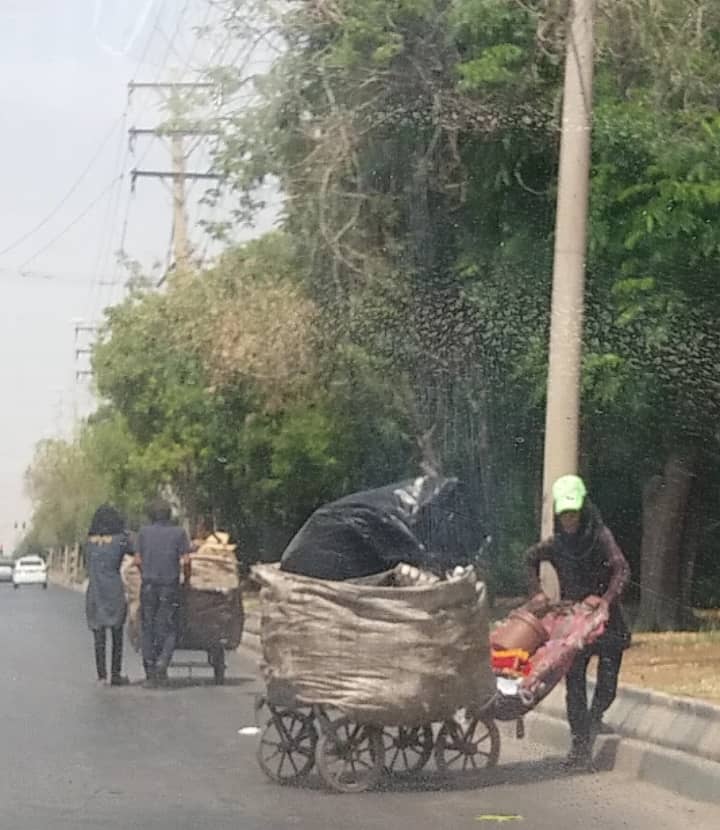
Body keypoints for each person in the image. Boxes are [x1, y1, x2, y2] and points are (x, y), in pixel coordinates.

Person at [526, 474, 630, 767]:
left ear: (583, 509)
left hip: (607, 622)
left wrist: (606, 602)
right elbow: (530, 558)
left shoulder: (600, 536)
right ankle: (580, 744)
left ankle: (595, 719)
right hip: (573, 622)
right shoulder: (556, 544)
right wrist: (537, 594)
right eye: (565, 514)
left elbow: (622, 570)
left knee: (608, 684)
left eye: (574, 513)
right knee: (574, 683)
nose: (570, 520)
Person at [135, 499, 191, 688]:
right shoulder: (179, 533)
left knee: (148, 627)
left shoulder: (143, 533)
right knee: (169, 626)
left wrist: (145, 574)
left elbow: (137, 561)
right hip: (170, 585)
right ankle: (162, 662)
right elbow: (185, 561)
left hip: (149, 585)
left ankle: (150, 668)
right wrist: (187, 579)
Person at [85, 504, 133, 687]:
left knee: (98, 636)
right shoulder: (121, 540)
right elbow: (135, 551)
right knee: (116, 633)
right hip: (114, 590)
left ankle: (101, 676)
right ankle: (115, 673)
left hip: (95, 590)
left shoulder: (88, 542)